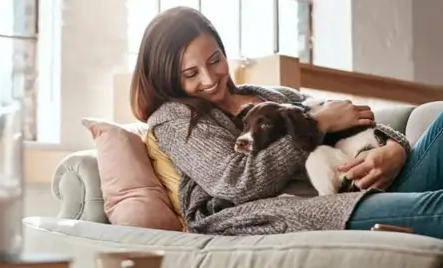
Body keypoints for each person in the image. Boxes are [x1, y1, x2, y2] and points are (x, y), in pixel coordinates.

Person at [129, 6, 443, 238]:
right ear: (167, 77)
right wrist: (316, 124)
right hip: (312, 207)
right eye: (190, 73)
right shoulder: (173, 117)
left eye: (214, 60)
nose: (210, 79)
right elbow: (233, 183)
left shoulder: (270, 94)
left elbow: (352, 121)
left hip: (366, 180)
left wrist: (394, 149)